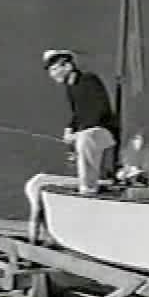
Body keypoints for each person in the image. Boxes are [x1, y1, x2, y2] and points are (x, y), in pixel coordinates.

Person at [43, 49, 119, 194]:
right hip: (87, 132)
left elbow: (100, 110)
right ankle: (90, 178)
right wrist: (70, 128)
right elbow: (78, 113)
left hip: (105, 132)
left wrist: (78, 133)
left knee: (85, 139)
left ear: (68, 66)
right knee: (83, 139)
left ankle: (88, 189)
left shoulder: (89, 80)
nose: (52, 75)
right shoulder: (70, 88)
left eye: (54, 69)